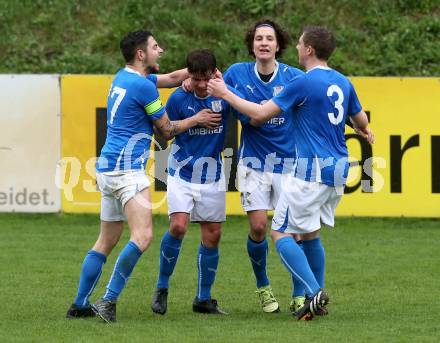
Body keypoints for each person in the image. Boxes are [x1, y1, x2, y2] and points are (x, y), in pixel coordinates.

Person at [207, 26, 374, 320]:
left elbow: (259, 115)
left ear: (309, 50)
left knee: (279, 232)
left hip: (309, 170)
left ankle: (312, 292)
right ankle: (315, 300)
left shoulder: (301, 83)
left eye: (299, 44)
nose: (296, 48)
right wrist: (364, 129)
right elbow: (359, 119)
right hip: (338, 171)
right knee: (309, 233)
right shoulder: (342, 81)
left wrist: (224, 93)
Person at [66, 30, 221, 323]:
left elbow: (173, 79)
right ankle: (108, 301)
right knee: (143, 236)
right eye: (155, 47)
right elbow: (167, 130)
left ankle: (79, 304)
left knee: (106, 241)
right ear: (141, 54)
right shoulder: (144, 89)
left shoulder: (124, 78)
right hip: (128, 171)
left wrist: (201, 71)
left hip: (107, 168)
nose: (160, 50)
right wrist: (198, 119)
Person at [150, 49, 242, 315]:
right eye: (196, 78)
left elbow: (247, 109)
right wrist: (195, 120)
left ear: (214, 74)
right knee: (178, 227)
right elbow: (163, 134)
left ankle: (203, 299)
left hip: (212, 174)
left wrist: (223, 85)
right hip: (181, 172)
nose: (201, 85)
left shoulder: (223, 96)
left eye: (206, 78)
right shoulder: (179, 97)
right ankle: (162, 287)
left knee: (212, 235)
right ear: (188, 75)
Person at [222, 19, 304, 313]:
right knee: (258, 228)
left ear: (279, 45)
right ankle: (264, 286)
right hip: (254, 163)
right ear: (252, 44)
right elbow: (252, 119)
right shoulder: (237, 74)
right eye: (259, 38)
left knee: (292, 233)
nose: (264, 43)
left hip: (288, 163)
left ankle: (299, 292)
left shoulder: (294, 77)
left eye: (270, 38)